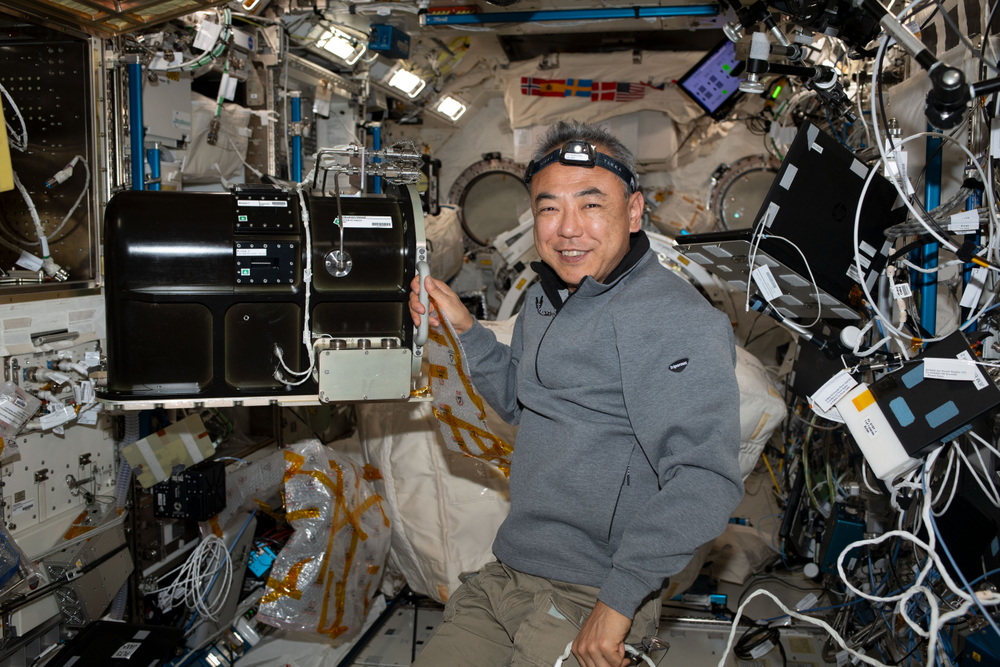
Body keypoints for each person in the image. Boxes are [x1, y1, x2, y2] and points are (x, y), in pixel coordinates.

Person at [408, 121, 743, 667]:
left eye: (591, 205)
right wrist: (469, 332)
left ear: (633, 212)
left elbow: (705, 479)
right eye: (549, 208)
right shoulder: (549, 296)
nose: (568, 230)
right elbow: (522, 399)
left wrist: (619, 600)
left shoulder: (673, 320)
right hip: (507, 574)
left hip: (592, 592)